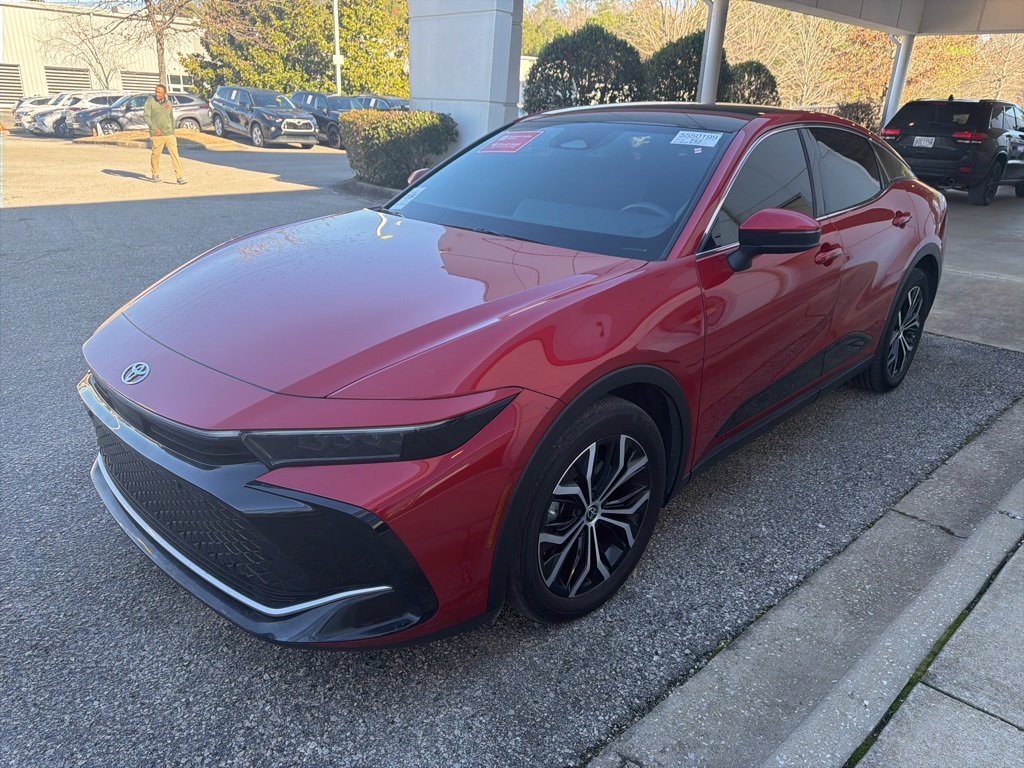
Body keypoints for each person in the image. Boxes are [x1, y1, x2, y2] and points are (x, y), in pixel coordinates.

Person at [143, 85, 186, 185]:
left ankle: (179, 177)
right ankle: (155, 174)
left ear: (164, 94)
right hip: (156, 134)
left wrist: (172, 132)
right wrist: (154, 128)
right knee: (156, 155)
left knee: (175, 154)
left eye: (159, 93)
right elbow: (146, 117)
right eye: (156, 92)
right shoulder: (150, 102)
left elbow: (171, 118)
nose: (157, 94)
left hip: (169, 133)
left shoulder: (168, 103)